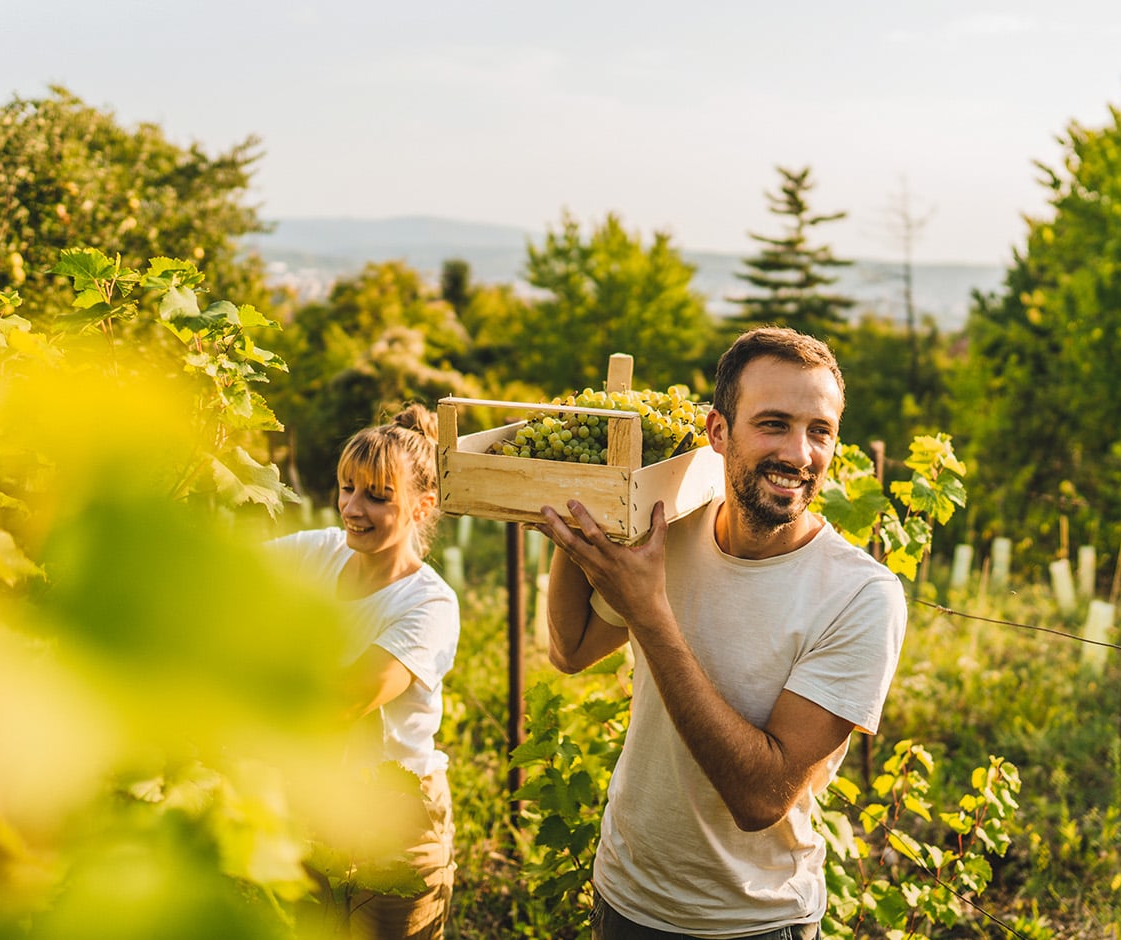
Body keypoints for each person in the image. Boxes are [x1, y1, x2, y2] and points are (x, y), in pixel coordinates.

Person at [536, 327, 907, 939]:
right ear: (718, 432)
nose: (799, 453)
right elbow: (570, 650)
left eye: (820, 431)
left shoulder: (860, 596)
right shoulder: (671, 531)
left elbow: (760, 799)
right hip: (623, 897)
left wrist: (649, 612)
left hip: (753, 921)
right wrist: (583, 505)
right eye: (773, 424)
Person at [270, 403, 460, 940]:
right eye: (347, 488)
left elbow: (344, 701)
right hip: (317, 805)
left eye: (377, 496)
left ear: (422, 506)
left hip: (397, 823)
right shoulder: (317, 552)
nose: (353, 508)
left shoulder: (428, 604)